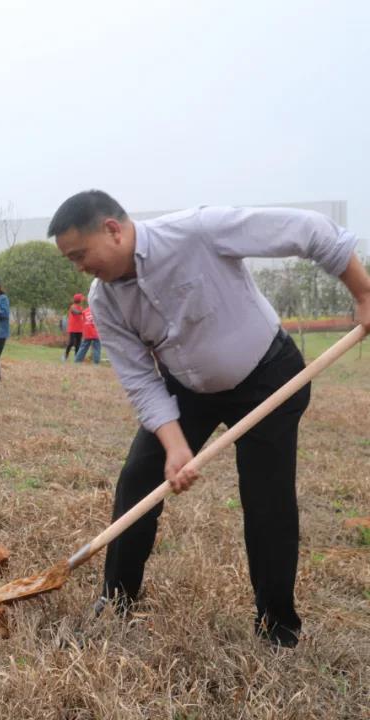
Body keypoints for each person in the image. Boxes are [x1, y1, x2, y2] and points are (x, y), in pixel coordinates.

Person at [49, 189, 370, 648]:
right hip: (188, 388)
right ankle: (117, 597)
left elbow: (312, 231)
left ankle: (277, 625)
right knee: (138, 477)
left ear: (113, 230)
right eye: (71, 261)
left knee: (267, 499)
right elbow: (140, 380)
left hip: (267, 376)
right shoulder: (104, 300)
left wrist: (363, 292)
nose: (80, 268)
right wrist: (175, 446)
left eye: (80, 255)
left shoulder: (196, 231)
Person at [74, 295, 102, 364]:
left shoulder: (85, 311)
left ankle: (77, 361)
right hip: (95, 333)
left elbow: (83, 321)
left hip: (87, 332)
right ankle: (96, 362)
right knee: (96, 348)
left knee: (83, 347)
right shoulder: (98, 311)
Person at [63, 292, 85, 361]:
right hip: (73, 329)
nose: (82, 300)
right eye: (81, 299)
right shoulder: (73, 307)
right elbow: (75, 312)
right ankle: (65, 356)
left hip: (80, 329)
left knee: (78, 344)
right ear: (79, 300)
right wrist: (82, 312)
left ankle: (76, 358)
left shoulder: (81, 307)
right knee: (71, 342)